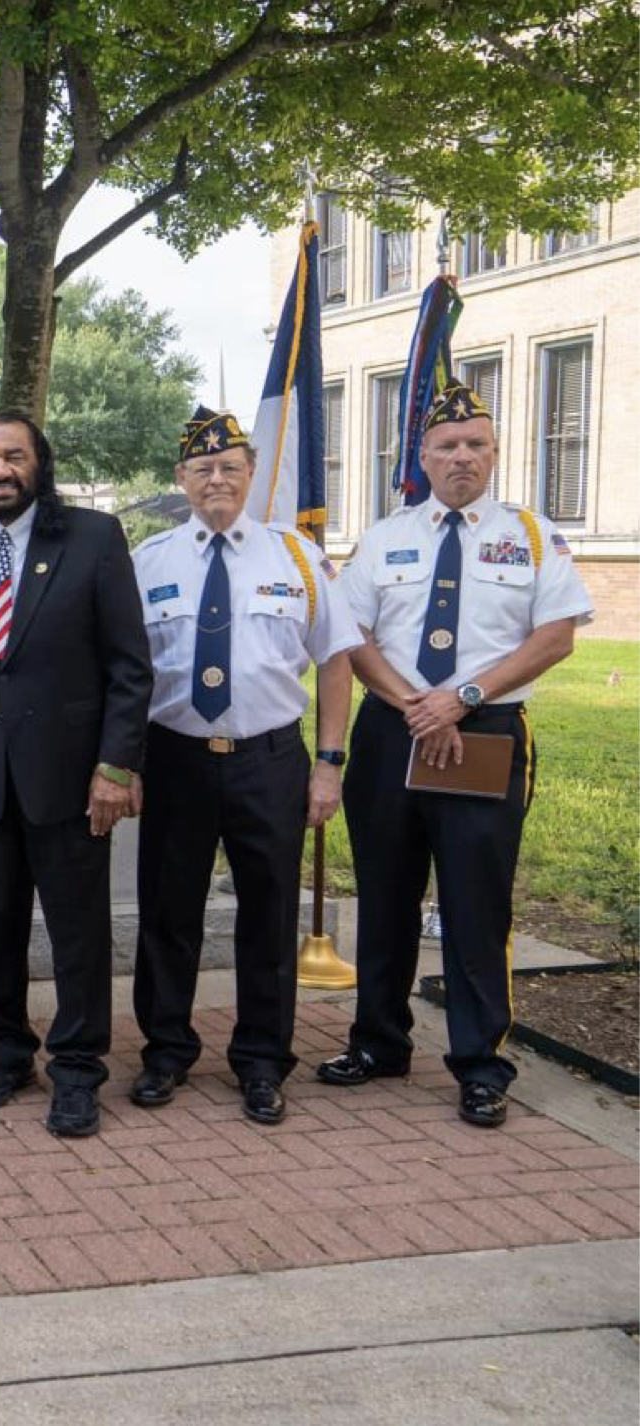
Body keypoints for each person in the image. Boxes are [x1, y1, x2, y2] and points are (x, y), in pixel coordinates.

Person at [321, 383, 593, 1127]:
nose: (462, 457)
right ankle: (378, 1042)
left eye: (476, 444)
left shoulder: (531, 537)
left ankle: (480, 1065)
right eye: (447, 446)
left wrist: (461, 697)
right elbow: (353, 635)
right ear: (423, 457)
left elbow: (557, 635)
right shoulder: (385, 536)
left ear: (495, 453)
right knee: (384, 894)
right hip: (393, 731)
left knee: (476, 902)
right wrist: (416, 703)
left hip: (484, 733)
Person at [0, 410, 152, 1137]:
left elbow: (129, 667)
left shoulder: (91, 538)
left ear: (38, 463)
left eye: (14, 456)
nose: (0, 471)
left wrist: (115, 767)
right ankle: (6, 1049)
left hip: (72, 777)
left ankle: (78, 1067)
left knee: (77, 931)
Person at [128, 408, 359, 1126]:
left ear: (252, 473)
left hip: (269, 759)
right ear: (182, 480)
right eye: (202, 468)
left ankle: (262, 1061)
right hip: (174, 760)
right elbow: (126, 672)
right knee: (169, 914)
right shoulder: (148, 560)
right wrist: (124, 763)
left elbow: (337, 659)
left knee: (267, 916)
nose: (217, 479)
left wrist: (328, 764)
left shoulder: (298, 557)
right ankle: (166, 1051)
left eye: (230, 466)